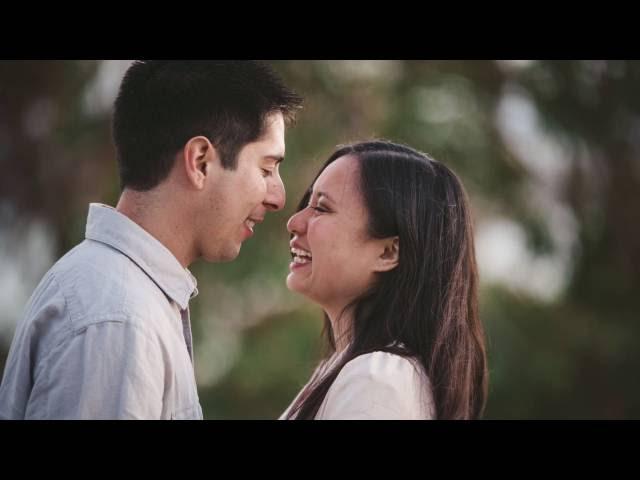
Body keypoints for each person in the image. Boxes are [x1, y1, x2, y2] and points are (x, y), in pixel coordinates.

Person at [0, 60, 302, 419]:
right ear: (201, 161)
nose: (278, 197)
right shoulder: (119, 319)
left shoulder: (124, 298)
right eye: (266, 169)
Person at [280, 140, 488, 420]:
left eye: (321, 208)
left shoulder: (374, 381)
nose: (294, 222)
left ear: (388, 252)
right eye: (308, 203)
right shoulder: (352, 371)